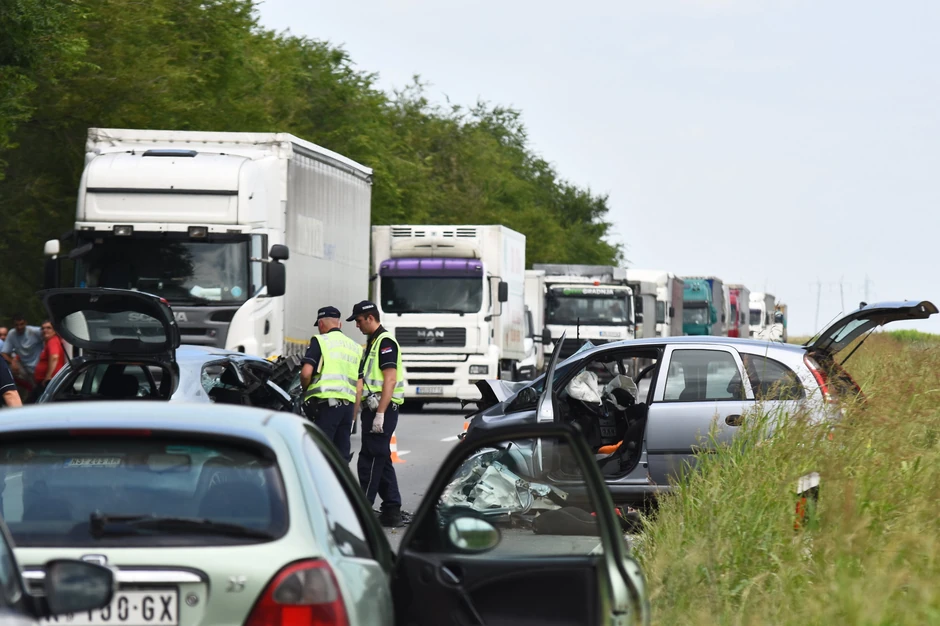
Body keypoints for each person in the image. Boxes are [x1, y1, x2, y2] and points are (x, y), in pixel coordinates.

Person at [349, 300, 405, 528]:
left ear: (370, 318)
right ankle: (392, 509)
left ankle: (362, 510)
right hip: (375, 409)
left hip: (382, 410)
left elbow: (390, 379)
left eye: (359, 321)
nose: (357, 326)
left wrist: (380, 413)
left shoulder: (385, 343)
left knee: (370, 460)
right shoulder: (373, 342)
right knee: (381, 458)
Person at [300, 306, 361, 463]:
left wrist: (305, 391)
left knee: (320, 456)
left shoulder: (320, 341)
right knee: (341, 459)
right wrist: (353, 416)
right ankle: (340, 487)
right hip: (347, 409)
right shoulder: (355, 347)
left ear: (320, 324)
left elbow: (306, 373)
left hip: (326, 407)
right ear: (339, 324)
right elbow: (359, 387)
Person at [1, 314, 43, 397]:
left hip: (38, 366)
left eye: (21, 324)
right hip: (25, 369)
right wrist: (12, 361)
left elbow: (49, 336)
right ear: (13, 325)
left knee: (40, 391)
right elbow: (4, 353)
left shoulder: (34, 331)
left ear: (25, 323)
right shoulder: (12, 334)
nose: (19, 327)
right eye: (17, 325)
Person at [28, 320, 66, 403]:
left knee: (30, 404)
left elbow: (54, 357)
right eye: (43, 328)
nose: (45, 330)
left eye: (49, 328)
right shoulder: (51, 341)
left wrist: (48, 376)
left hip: (48, 382)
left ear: (55, 330)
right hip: (45, 382)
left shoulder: (52, 341)